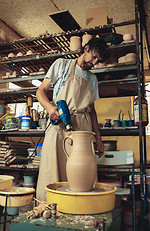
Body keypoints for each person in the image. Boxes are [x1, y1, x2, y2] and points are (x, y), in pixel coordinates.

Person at [36, 37, 110, 201]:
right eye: (94, 56)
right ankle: (50, 207)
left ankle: (80, 208)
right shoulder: (61, 64)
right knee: (53, 170)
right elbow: (40, 91)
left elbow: (92, 111)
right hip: (60, 123)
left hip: (83, 127)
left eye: (99, 60)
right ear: (86, 49)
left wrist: (98, 138)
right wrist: (50, 108)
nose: (95, 62)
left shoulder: (92, 79)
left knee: (82, 176)